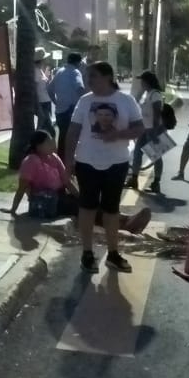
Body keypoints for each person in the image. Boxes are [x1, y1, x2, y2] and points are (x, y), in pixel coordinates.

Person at [64, 61, 144, 274]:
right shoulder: (84, 102)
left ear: (108, 77)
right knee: (87, 208)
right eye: (88, 77)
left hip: (116, 162)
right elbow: (72, 132)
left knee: (111, 209)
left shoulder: (126, 101)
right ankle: (87, 253)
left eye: (93, 77)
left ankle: (113, 253)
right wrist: (68, 161)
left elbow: (139, 128)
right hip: (86, 162)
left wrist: (117, 134)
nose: (89, 81)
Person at [1, 130, 152, 234]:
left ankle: (124, 220)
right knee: (79, 209)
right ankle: (123, 224)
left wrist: (82, 197)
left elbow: (67, 182)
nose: (53, 144)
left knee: (89, 202)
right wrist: (13, 209)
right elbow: (22, 188)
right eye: (49, 142)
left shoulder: (53, 158)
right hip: (46, 201)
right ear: (38, 146)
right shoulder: (31, 161)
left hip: (60, 196)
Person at [127, 70, 165, 194]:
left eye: (142, 81)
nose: (141, 83)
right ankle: (134, 179)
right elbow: (135, 102)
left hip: (153, 129)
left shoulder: (155, 95)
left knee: (155, 156)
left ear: (148, 82)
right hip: (144, 129)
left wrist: (154, 132)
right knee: (137, 154)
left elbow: (157, 113)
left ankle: (156, 183)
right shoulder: (147, 94)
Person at [47, 51, 86, 158]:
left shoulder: (60, 72)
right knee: (72, 138)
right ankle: (69, 162)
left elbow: (50, 89)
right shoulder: (75, 72)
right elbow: (80, 88)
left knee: (62, 137)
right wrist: (85, 102)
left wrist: (55, 101)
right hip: (71, 110)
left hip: (60, 110)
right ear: (78, 62)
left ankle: (61, 161)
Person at [34, 49, 53, 134]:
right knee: (45, 125)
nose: (46, 60)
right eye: (45, 58)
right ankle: (34, 142)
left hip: (46, 101)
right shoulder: (35, 71)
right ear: (41, 60)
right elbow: (34, 89)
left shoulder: (40, 70)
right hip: (41, 102)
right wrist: (37, 106)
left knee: (46, 126)